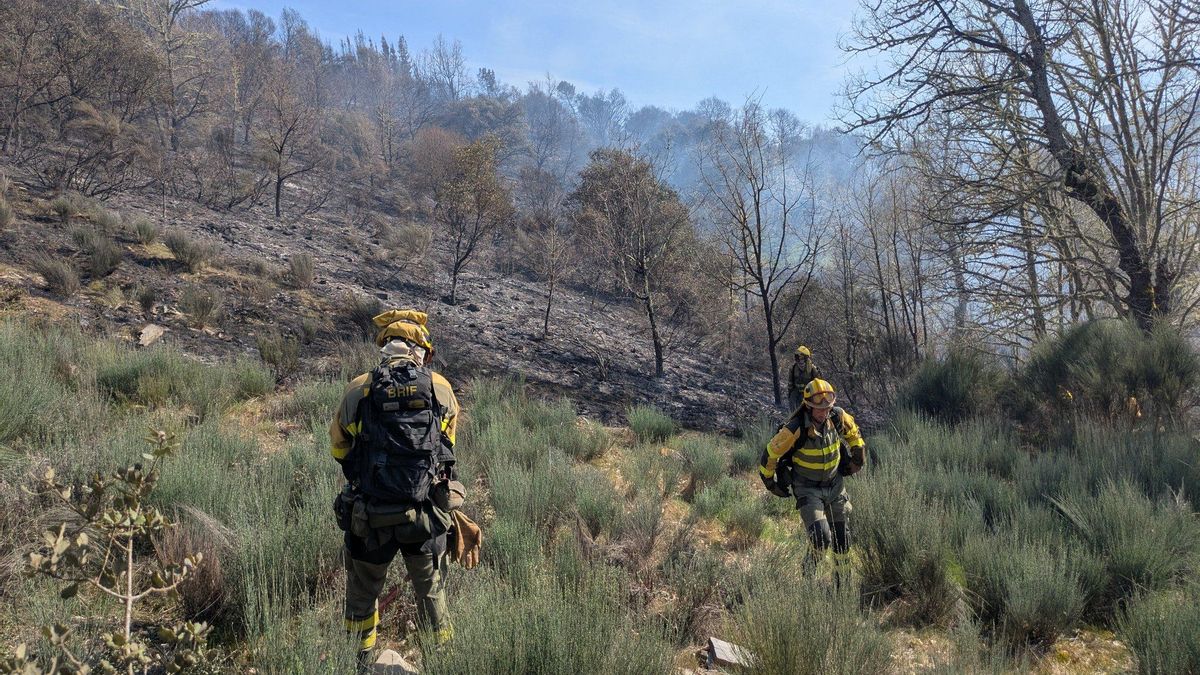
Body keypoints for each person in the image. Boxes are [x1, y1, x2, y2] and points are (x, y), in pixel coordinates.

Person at [329, 309, 478, 667]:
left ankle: (360, 662)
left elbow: (338, 448)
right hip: (425, 517)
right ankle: (440, 661)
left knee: (362, 597)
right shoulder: (440, 388)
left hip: (370, 516)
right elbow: (447, 449)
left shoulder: (358, 388)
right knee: (432, 597)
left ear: (385, 347)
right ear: (421, 350)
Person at [759, 378, 865, 583]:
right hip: (808, 490)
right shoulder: (794, 429)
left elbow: (853, 433)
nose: (823, 412)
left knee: (842, 538)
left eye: (826, 407)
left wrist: (858, 454)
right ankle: (808, 578)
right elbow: (770, 454)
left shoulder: (837, 417)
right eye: (818, 408)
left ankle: (842, 586)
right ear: (808, 406)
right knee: (821, 537)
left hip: (835, 486)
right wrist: (770, 482)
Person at [786, 346, 823, 412]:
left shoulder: (813, 369)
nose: (800, 361)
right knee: (792, 398)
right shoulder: (793, 368)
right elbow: (790, 385)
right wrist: (790, 395)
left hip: (809, 394)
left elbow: (819, 385)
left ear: (807, 358)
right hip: (797, 393)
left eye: (803, 358)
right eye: (798, 358)